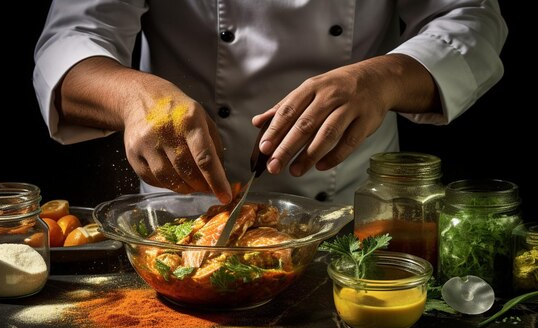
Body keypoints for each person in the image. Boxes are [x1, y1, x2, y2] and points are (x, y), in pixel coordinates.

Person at [34, 1, 507, 205]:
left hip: (351, 217)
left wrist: (381, 78)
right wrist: (134, 98)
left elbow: (472, 20)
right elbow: (70, 42)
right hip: (181, 216)